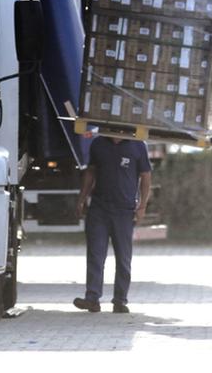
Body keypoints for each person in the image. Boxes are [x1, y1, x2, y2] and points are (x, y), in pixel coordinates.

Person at [72, 134, 152, 314]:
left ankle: (120, 300)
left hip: (124, 211)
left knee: (123, 258)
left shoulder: (138, 145)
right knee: (95, 255)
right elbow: (91, 171)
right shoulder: (99, 143)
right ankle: (92, 298)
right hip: (99, 209)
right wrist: (82, 198)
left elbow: (145, 176)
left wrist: (142, 206)